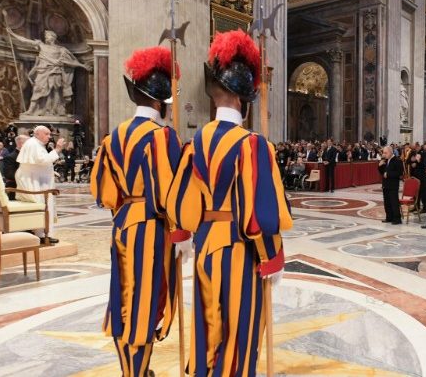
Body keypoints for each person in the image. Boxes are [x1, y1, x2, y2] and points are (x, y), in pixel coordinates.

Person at [166, 30, 292, 376]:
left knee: (208, 326)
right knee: (242, 332)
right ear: (242, 100)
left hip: (206, 248)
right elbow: (260, 211)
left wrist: (181, 236)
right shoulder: (253, 145)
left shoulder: (195, 142)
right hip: (240, 251)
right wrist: (272, 256)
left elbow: (180, 199)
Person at [90, 46, 191, 377]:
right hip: (150, 227)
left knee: (121, 298)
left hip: (121, 223)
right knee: (145, 301)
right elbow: (171, 194)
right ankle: (137, 373)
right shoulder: (162, 136)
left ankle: (130, 369)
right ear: (160, 103)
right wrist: (181, 232)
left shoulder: (113, 136)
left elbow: (103, 191)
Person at [5, 28, 92, 116]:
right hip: (42, 71)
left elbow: (69, 62)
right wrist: (12, 34)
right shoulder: (41, 45)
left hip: (55, 72)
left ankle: (57, 110)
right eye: (46, 36)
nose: (46, 38)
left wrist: (82, 66)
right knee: (37, 90)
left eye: (48, 36)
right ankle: (31, 110)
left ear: (53, 37)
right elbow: (26, 41)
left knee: (56, 91)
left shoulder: (61, 49)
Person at [16, 125, 64, 245]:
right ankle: (41, 235)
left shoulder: (36, 144)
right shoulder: (33, 144)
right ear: (37, 134)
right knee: (41, 206)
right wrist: (57, 149)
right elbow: (42, 160)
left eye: (49, 134)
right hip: (34, 182)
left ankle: (42, 234)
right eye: (46, 134)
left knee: (44, 206)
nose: (49, 136)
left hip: (38, 180)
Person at [379, 145, 404, 225]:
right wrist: (380, 166)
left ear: (390, 152)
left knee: (394, 202)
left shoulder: (397, 160)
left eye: (385, 153)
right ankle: (389, 217)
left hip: (393, 185)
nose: (384, 154)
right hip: (385, 184)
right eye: (383, 153)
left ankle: (397, 219)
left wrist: (388, 174)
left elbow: (399, 173)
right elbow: (382, 172)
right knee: (387, 202)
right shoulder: (386, 160)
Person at [2, 135, 29, 201]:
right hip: (14, 189)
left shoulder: (28, 156)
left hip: (26, 188)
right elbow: (9, 174)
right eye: (28, 143)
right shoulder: (10, 157)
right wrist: (28, 177)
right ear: (22, 144)